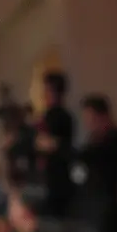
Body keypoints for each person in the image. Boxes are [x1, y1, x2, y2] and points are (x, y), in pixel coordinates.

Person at [70, 94, 117, 232]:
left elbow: (95, 156)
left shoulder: (114, 137)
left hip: (104, 205)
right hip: (87, 202)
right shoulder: (92, 139)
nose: (89, 124)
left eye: (92, 119)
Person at [32, 71, 78, 216]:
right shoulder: (52, 115)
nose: (44, 94)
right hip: (48, 177)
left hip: (56, 179)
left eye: (46, 89)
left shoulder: (60, 116)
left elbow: (53, 144)